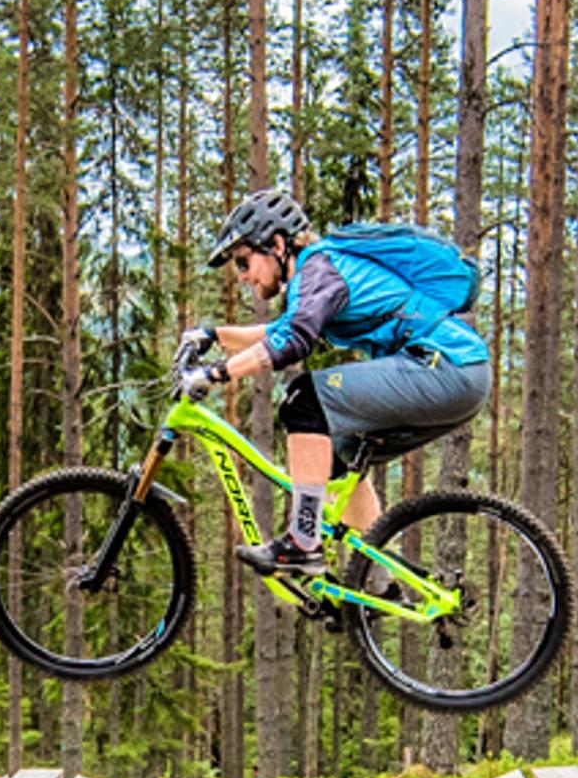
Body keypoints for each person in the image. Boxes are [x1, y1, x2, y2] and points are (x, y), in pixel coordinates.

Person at [179, 188, 491, 580]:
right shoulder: (318, 274)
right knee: (336, 461)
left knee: (303, 397)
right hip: (457, 374)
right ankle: (380, 585)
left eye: (244, 261)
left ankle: (302, 543)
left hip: (444, 366)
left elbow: (293, 341)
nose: (242, 275)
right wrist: (212, 336)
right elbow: (280, 330)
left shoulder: (318, 268)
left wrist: (215, 374)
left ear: (277, 245)